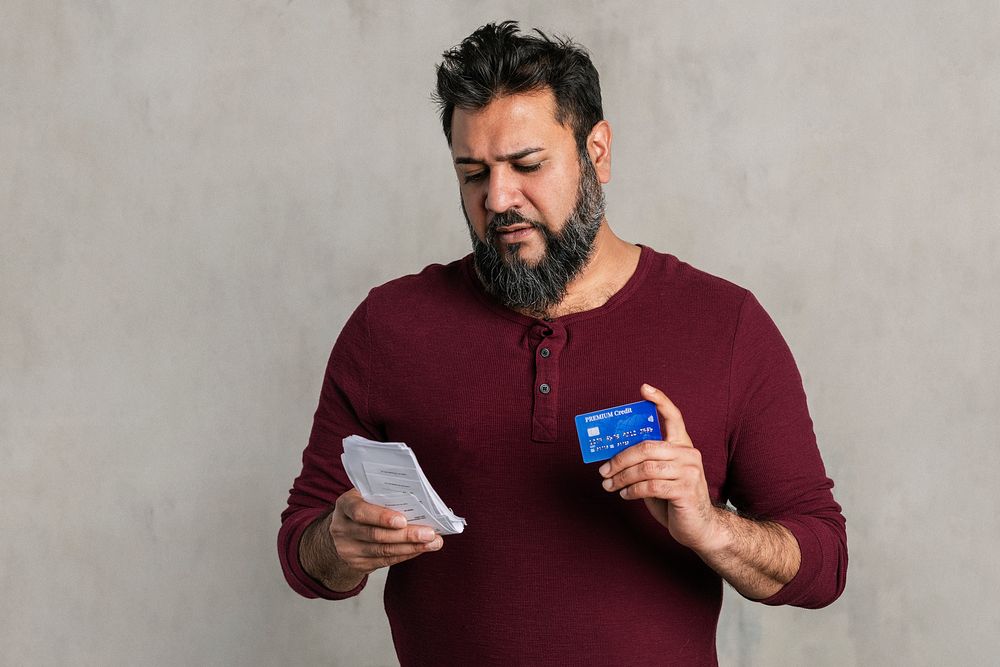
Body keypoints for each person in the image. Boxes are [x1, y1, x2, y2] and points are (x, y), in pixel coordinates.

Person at [278, 21, 847, 666]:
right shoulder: (391, 326)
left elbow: (823, 564)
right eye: (472, 173)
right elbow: (304, 551)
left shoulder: (725, 325)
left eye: (527, 166)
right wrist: (340, 539)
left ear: (596, 152)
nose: (498, 199)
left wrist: (712, 528)